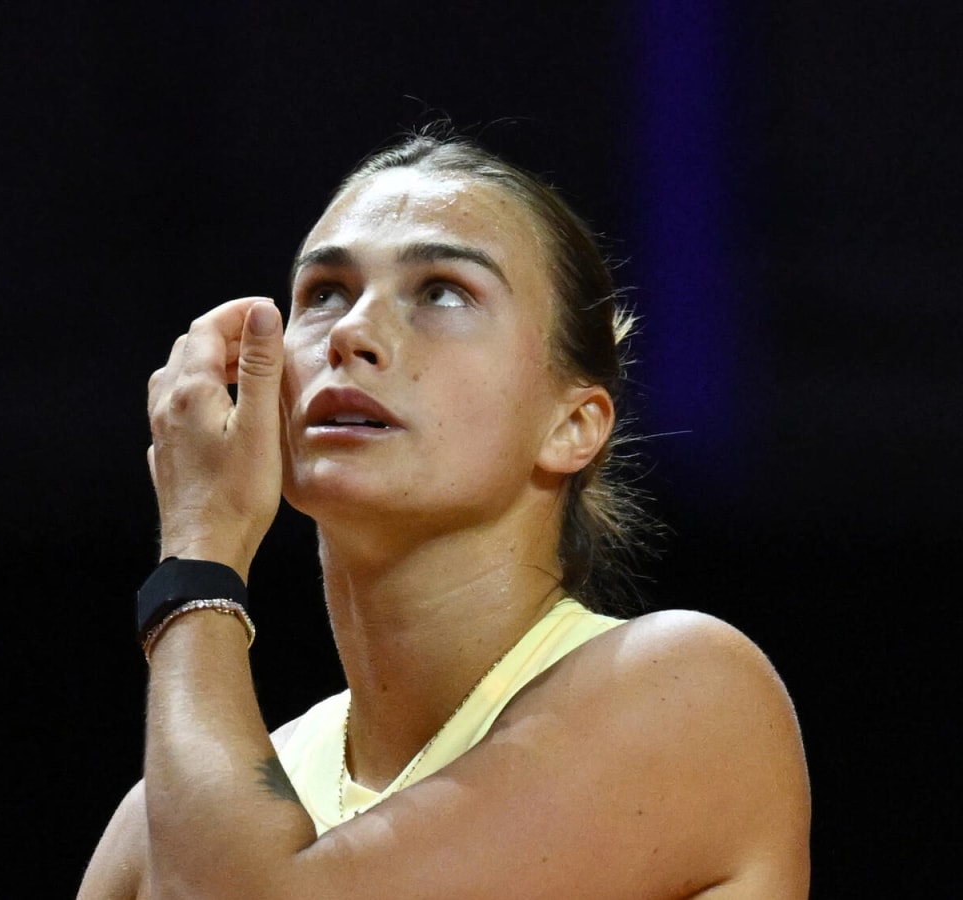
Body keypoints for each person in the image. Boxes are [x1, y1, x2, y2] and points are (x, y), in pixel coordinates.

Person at [77, 129, 811, 899]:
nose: (354, 331)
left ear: (573, 426)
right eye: (324, 293)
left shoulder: (685, 692)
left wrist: (199, 554)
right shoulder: (166, 824)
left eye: (443, 292)